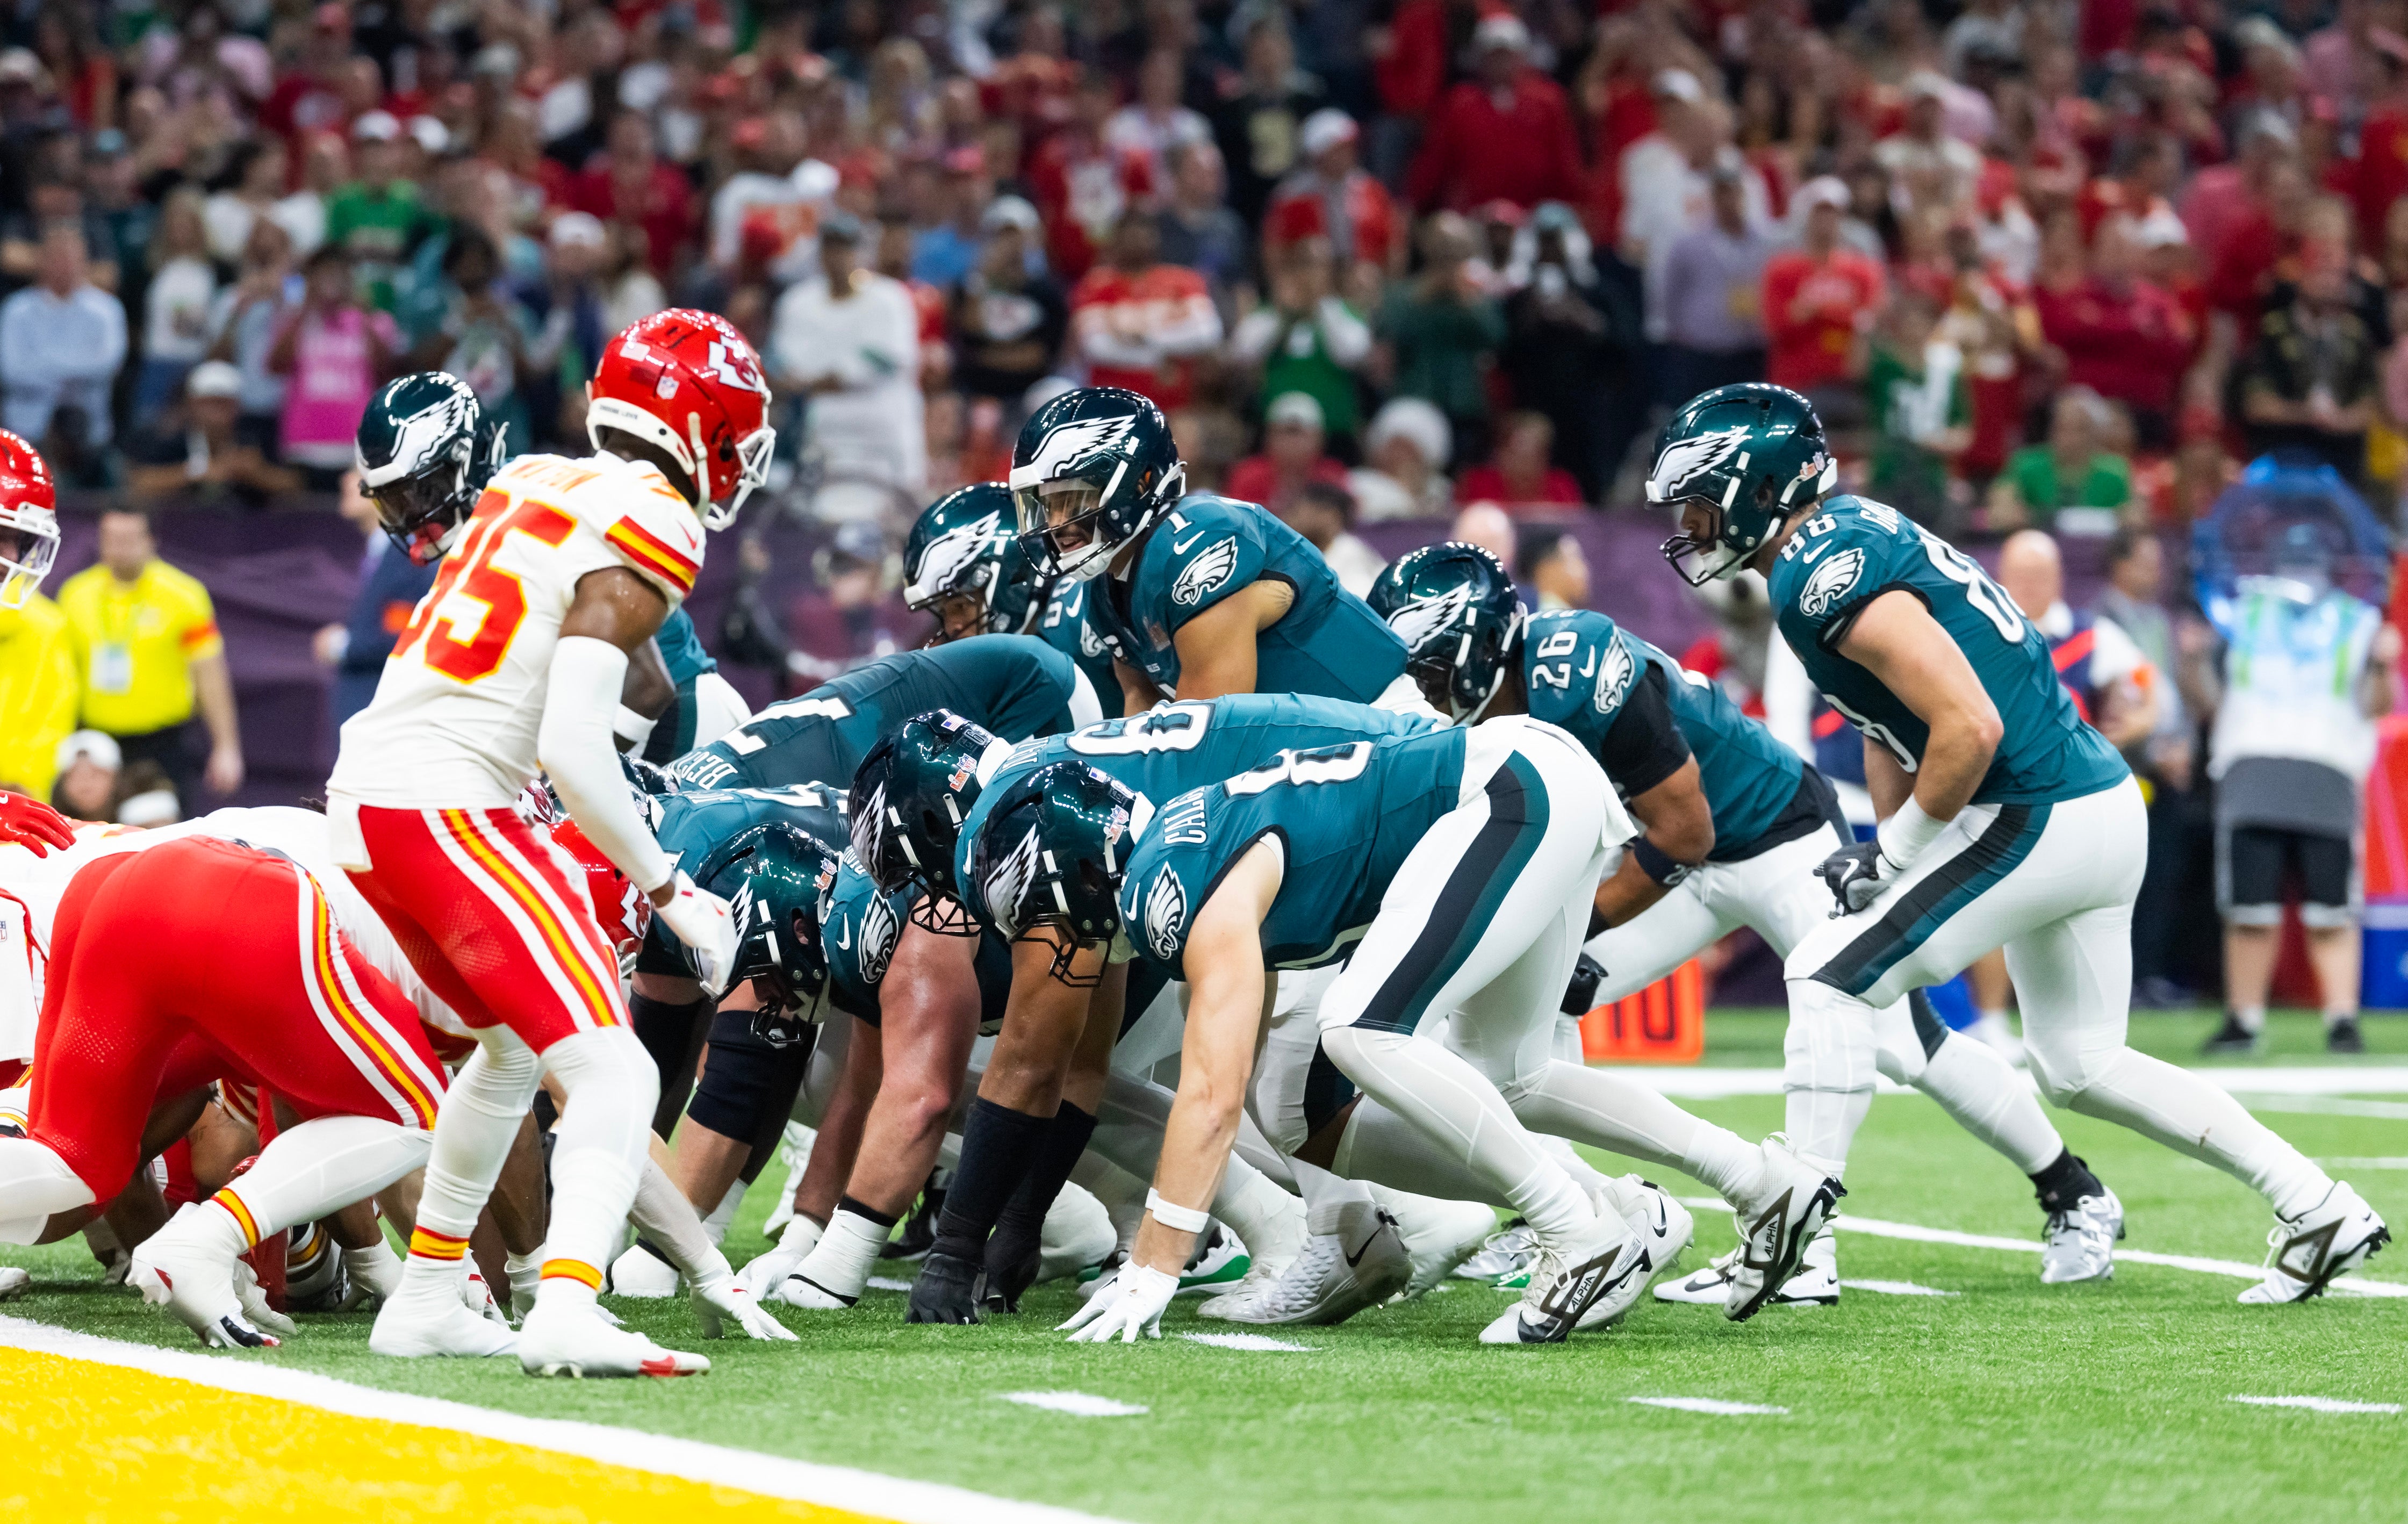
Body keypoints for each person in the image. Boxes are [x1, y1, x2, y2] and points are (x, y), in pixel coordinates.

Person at [1655, 382, 2390, 1303]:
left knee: (1829, 973)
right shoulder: (1838, 537)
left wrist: (1893, 855)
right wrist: (1899, 845)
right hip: (2091, 804)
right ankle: (2317, 1204)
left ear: (1755, 487)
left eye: (1696, 494)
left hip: (2040, 809)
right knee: (2082, 1064)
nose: (1686, 520)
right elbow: (1893, 726)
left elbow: (1966, 728)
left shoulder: (1818, 571)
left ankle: (1790, 1242)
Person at [1374, 542, 2104, 1303]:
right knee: (1536, 997)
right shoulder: (1495, 701)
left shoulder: (1571, 664)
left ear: (1474, 645)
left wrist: (1579, 920)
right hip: (1680, 855)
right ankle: (1569, 1212)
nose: (1423, 689)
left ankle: (2065, 1189)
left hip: (1771, 832)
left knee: (1900, 1043)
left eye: (1430, 666)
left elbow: (1682, 829)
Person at [329, 309, 768, 1378]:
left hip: (365, 800)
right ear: (705, 423)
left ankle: (429, 1292)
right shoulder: (654, 511)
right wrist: (672, 890)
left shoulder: (529, 477)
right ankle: (566, 1302)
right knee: (613, 1063)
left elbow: (590, 697)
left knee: (508, 1051)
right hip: (448, 803)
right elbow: (575, 741)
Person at [1010, 386, 1413, 714]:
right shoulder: (1103, 585)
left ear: (1139, 482)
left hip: (1391, 730)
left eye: (1073, 501)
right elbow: (1140, 718)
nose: (1056, 524)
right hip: (1312, 757)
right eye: (1047, 506)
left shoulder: (1198, 537)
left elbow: (1207, 732)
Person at [2196, 524, 2399, 1056]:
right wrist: (2194, 656)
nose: (2300, 569)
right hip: (2251, 767)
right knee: (2248, 908)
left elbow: (2377, 705)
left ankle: (2340, 1019)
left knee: (2331, 909)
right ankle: (2243, 1019)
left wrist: (2381, 664)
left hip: (2326, 769)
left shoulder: (2359, 623)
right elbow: (2208, 697)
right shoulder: (2239, 614)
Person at [54, 509, 243, 813]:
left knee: (164, 834)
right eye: (112, 540)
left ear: (151, 541)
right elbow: (59, 675)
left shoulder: (184, 595)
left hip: (161, 742)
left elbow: (210, 674)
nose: (120, 549)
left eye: (129, 540)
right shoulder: (75, 594)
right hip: (96, 739)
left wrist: (227, 746)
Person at [900, 482, 1119, 717]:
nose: (952, 627)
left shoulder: (1079, 612)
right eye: (945, 613)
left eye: (961, 606)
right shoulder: (1025, 659)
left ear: (1012, 577)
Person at [770, 214, 926, 497]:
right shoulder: (797, 302)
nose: (839, 256)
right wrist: (821, 379)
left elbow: (886, 364)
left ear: (863, 251)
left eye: (846, 247)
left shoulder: (890, 299)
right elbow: (786, 368)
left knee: (895, 526)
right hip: (828, 439)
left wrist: (822, 379)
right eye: (831, 247)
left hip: (885, 438)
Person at [0, 224, 126, 481]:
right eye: (56, 257)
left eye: (69, 257)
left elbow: (108, 365)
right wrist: (74, 371)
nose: (63, 265)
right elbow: (11, 370)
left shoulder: (107, 310)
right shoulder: (17, 310)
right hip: (28, 431)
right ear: (42, 261)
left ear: (84, 261)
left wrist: (44, 365)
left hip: (90, 433)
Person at [1068, 213, 1221, 414]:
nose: (1137, 239)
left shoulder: (1183, 280)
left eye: (1145, 232)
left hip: (1177, 404)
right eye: (1130, 233)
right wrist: (1162, 356)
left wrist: (1147, 339)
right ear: (1115, 239)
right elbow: (1096, 346)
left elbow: (1208, 333)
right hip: (1115, 407)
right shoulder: (1095, 286)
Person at [0, 429, 71, 802]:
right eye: (0, 534)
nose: (12, 558)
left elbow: (54, 714)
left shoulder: (45, 623)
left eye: (21, 540)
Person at [124, 360, 303, 506]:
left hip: (248, 537)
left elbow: (295, 485)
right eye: (209, 403)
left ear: (238, 406)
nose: (217, 412)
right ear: (191, 404)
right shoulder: (171, 440)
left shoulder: (254, 439)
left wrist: (258, 474)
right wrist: (197, 471)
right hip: (182, 536)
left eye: (224, 403)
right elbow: (139, 483)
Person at [1223, 392, 1350, 514]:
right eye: (1286, 433)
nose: (1292, 442)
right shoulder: (1248, 474)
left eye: (1298, 434)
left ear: (1319, 439)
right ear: (1269, 437)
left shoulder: (1332, 476)